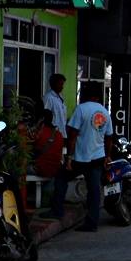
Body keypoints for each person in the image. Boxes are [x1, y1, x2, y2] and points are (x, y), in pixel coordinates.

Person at [43, 84, 113, 232]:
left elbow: (72, 136)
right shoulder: (105, 112)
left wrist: (69, 157)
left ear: (85, 94)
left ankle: (57, 211)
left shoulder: (81, 109)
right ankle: (92, 222)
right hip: (98, 157)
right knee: (94, 190)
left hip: (81, 158)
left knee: (61, 177)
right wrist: (107, 156)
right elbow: (109, 138)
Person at [31, 109, 64, 178]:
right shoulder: (59, 134)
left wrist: (36, 127)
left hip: (42, 169)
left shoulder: (39, 133)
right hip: (55, 169)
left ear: (41, 119)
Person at [43, 73, 68, 139]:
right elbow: (46, 117)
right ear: (53, 84)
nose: (62, 87)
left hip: (62, 133)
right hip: (53, 134)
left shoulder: (60, 97)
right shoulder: (49, 97)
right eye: (60, 84)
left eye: (63, 84)